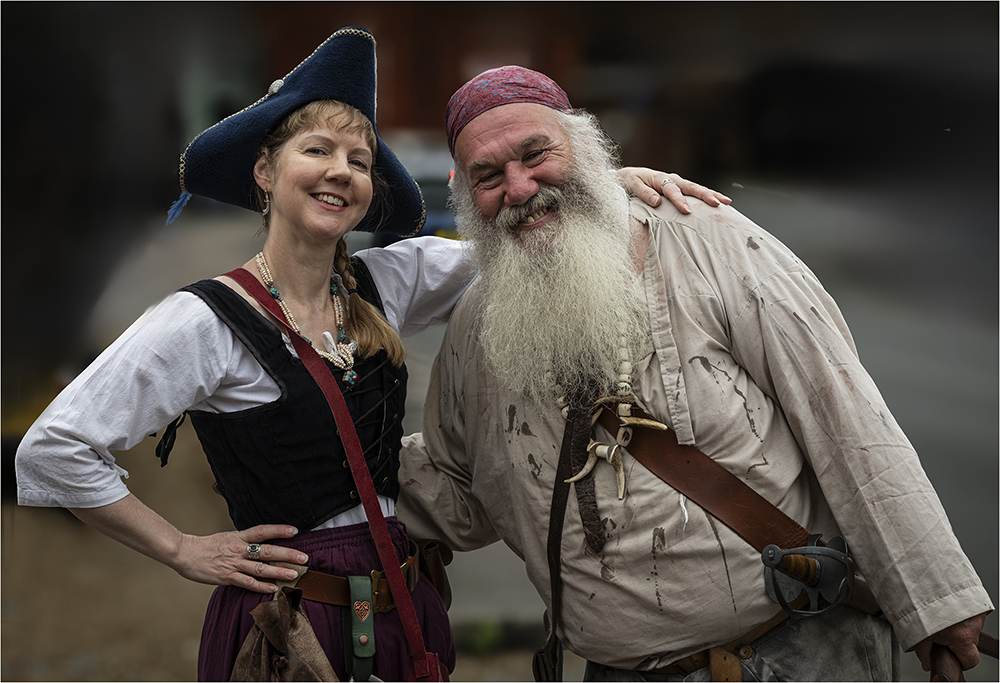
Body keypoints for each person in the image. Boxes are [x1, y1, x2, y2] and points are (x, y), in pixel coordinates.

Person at [13, 29, 728, 681]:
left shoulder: (392, 280)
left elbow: (525, 233)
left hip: (404, 606)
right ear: (265, 171)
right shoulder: (203, 322)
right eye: (317, 150)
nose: (341, 171)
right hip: (292, 626)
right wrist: (182, 549)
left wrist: (601, 186)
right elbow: (53, 450)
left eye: (358, 160)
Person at [396, 65, 994, 681]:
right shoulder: (476, 326)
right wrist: (316, 481)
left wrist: (932, 599)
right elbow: (457, 487)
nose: (518, 189)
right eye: (488, 177)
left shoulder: (714, 243)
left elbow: (845, 419)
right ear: (466, 198)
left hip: (795, 658)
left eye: (536, 154)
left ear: (585, 148)